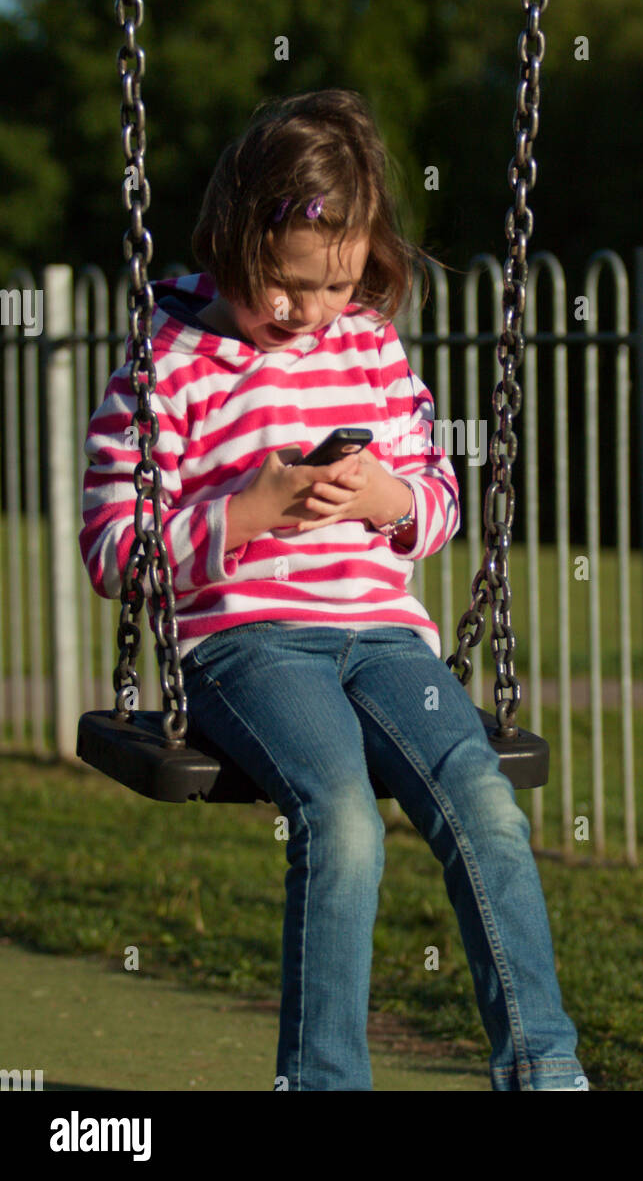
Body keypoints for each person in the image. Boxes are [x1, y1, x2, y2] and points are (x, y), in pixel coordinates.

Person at [79, 88, 587, 1092]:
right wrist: (250, 508)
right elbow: (113, 550)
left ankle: (544, 1066)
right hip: (250, 642)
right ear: (233, 234)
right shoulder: (165, 359)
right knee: (342, 816)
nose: (307, 312)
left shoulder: (367, 345)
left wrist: (386, 492)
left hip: (386, 637)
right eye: (285, 285)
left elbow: (438, 505)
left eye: (335, 285)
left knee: (483, 798)